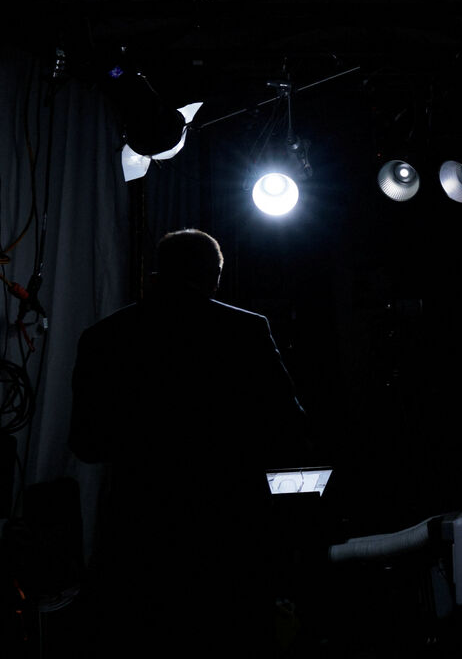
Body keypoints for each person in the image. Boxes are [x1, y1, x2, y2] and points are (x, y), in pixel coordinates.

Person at [70, 228, 311, 658]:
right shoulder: (246, 331)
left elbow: (87, 444)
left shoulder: (103, 337)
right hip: (229, 529)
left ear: (158, 273)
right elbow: (289, 429)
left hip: (139, 531)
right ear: (215, 275)